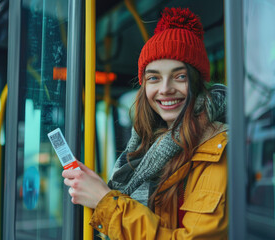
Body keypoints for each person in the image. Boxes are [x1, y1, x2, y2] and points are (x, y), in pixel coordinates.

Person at [63, 7, 228, 239]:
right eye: (154, 78)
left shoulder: (218, 148)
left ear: (197, 82)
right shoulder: (146, 144)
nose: (165, 89)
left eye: (179, 76)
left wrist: (104, 201)